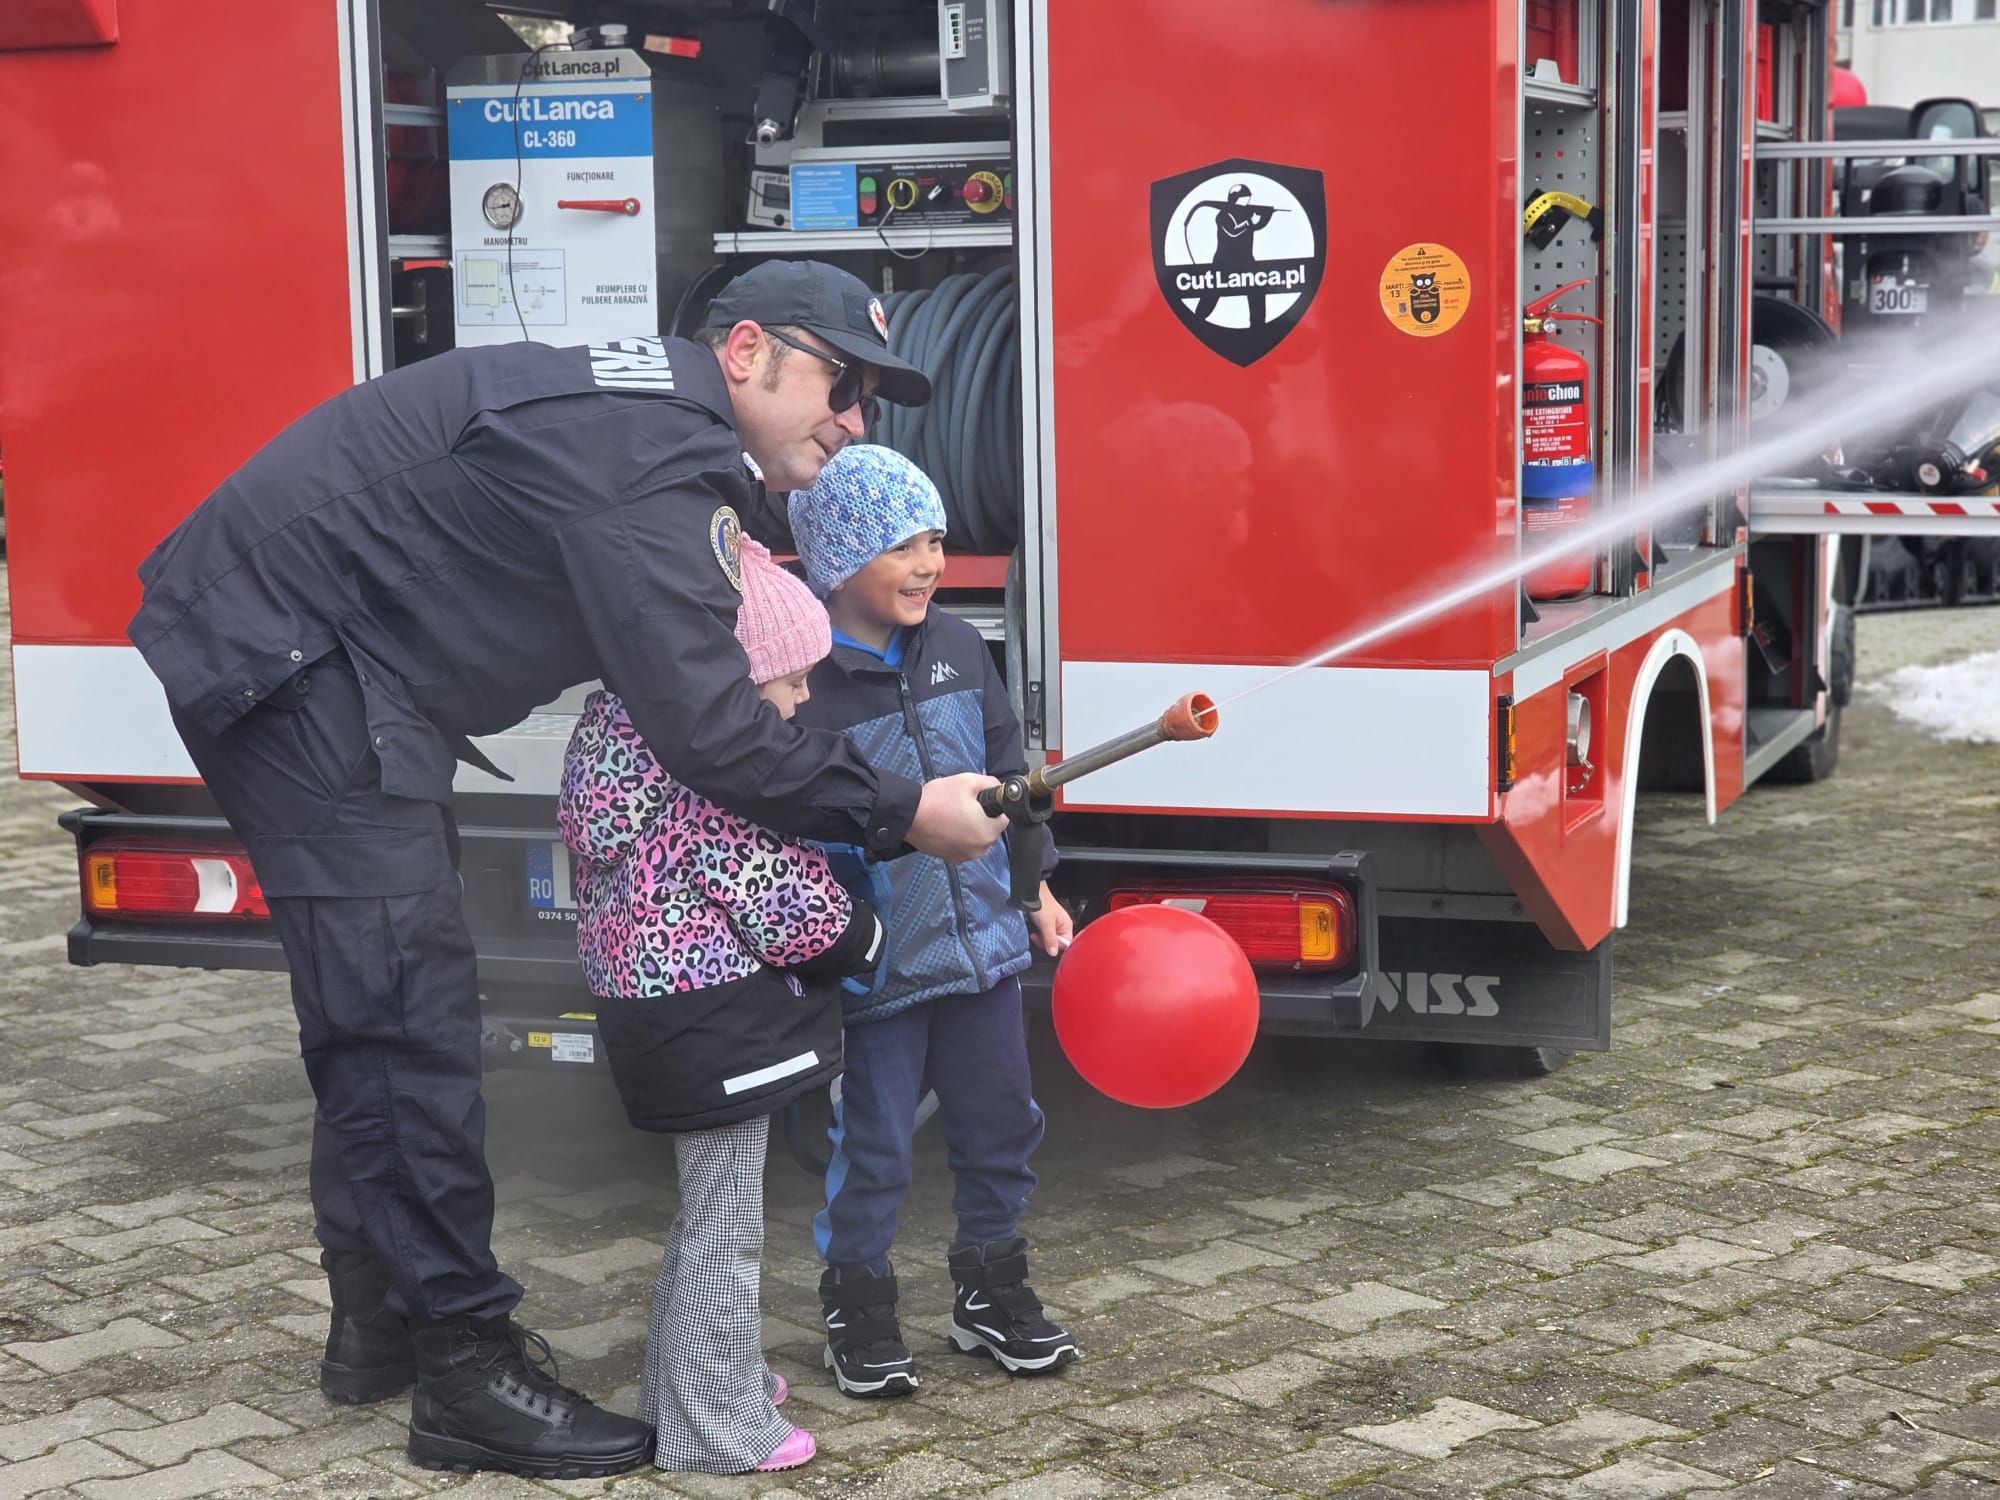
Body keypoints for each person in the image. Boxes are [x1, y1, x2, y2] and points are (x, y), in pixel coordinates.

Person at [125, 260, 1008, 1479]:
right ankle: (464, 1374)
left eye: (872, 396)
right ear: (745, 350)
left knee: (383, 1007)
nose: (856, 418)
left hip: (332, 656)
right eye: (841, 382)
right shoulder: (649, 459)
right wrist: (903, 808)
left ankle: (379, 1326)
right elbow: (709, 734)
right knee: (402, 1019)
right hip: (291, 659)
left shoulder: (661, 431)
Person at [557, 537, 879, 1475]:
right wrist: (859, 939)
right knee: (726, 1226)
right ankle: (716, 1423)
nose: (806, 697)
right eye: (789, 678)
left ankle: (687, 1378)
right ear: (734, 682)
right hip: (713, 1011)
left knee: (706, 1213)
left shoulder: (621, 731)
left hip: (650, 1003)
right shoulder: (714, 770)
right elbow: (777, 891)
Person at [786, 444, 1080, 1398]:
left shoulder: (958, 646)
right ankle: (857, 1306)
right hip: (882, 970)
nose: (928, 564)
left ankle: (990, 1291)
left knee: (1004, 1125)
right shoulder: (805, 682)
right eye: (902, 545)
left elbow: (1013, 782)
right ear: (839, 557)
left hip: (986, 951)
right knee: (872, 1146)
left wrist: (1036, 888)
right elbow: (803, 822)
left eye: (937, 541)